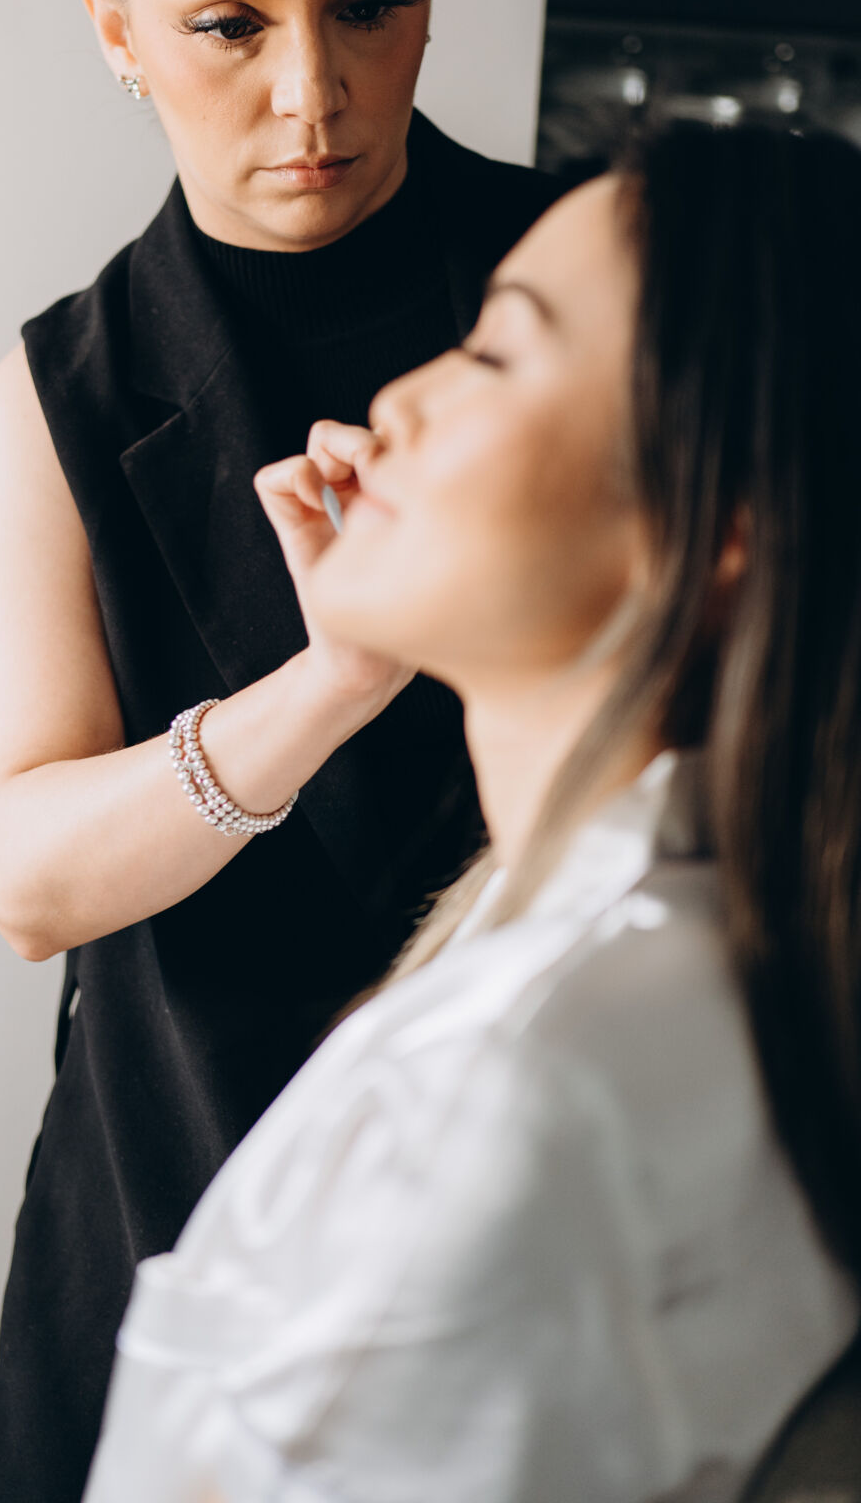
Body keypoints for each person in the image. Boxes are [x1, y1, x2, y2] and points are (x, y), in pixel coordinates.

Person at [0, 0, 559, 1503]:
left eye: (372, 4)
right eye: (229, 24)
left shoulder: (587, 289)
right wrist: (332, 681)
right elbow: (28, 879)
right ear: (116, 30)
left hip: (535, 1215)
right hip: (168, 1190)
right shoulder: (61, 393)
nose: (315, 92)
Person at [83, 123, 861, 1503]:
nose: (397, 403)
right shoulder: (708, 948)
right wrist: (340, 668)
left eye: (497, 353)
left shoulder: (509, 1095)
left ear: (724, 518)